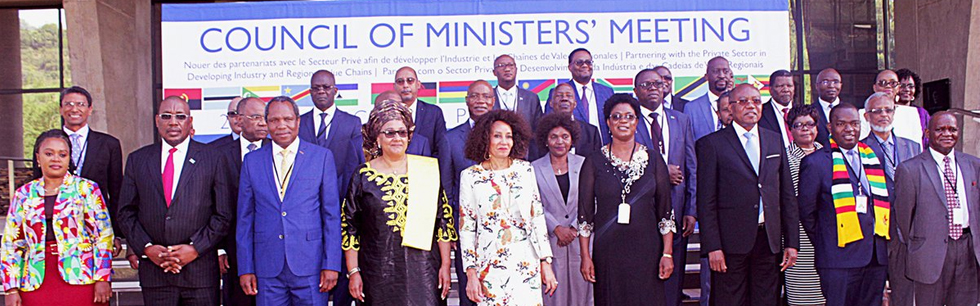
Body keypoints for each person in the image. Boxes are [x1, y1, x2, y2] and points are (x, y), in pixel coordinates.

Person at [117, 96, 232, 305]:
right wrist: (147, 248)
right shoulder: (138, 159)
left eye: (180, 116)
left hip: (200, 274)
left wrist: (195, 248)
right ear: (156, 120)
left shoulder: (213, 158)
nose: (173, 122)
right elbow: (126, 213)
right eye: (166, 116)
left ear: (190, 121)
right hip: (155, 274)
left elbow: (223, 213)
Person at [342, 100, 457, 305]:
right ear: (377, 137)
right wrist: (353, 272)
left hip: (424, 271)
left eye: (402, 133)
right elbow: (350, 228)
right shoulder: (363, 175)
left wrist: (446, 266)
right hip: (377, 272)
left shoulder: (426, 170)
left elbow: (443, 223)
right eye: (389, 133)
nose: (397, 138)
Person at [697, 84, 799, 306]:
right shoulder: (711, 144)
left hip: (768, 239)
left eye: (755, 100)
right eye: (743, 101)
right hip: (729, 243)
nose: (751, 106)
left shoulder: (774, 140)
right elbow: (706, 202)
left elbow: (787, 194)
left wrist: (792, 242)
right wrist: (713, 246)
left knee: (766, 300)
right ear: (730, 109)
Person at [236, 96, 342, 305]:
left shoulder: (321, 157)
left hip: (310, 266)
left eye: (287, 119)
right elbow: (245, 218)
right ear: (266, 124)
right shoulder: (252, 161)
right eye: (274, 120)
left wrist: (331, 264)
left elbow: (331, 216)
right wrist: (246, 267)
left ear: (298, 121)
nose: (281, 125)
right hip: (267, 267)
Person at [577, 93, 674, 305]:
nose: (623, 121)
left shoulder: (654, 159)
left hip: (647, 250)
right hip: (608, 252)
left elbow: (666, 212)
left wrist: (667, 253)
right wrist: (585, 256)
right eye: (617, 116)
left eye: (629, 116)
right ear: (608, 123)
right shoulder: (593, 161)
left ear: (637, 122)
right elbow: (584, 217)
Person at [2, 130, 114, 305]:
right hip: (35, 279)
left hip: (81, 276)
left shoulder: (87, 189)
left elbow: (103, 236)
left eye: (62, 154)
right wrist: (10, 288)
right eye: (49, 154)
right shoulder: (23, 194)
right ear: (38, 158)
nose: (56, 159)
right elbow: (12, 243)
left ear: (69, 158)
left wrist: (102, 278)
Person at [458, 110, 557, 305]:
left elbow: (536, 216)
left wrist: (546, 261)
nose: (504, 141)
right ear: (485, 139)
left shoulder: (525, 170)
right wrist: (470, 272)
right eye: (497, 136)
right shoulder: (470, 176)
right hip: (490, 265)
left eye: (508, 136)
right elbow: (467, 227)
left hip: (526, 263)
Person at [798, 103, 889, 306]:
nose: (849, 129)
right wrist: (829, 238)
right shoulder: (816, 163)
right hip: (838, 258)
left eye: (854, 124)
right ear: (830, 128)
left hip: (875, 256)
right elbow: (807, 213)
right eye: (841, 124)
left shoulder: (874, 155)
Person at [896, 112, 980, 306]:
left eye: (952, 129)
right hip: (930, 254)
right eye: (940, 129)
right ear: (927, 133)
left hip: (967, 250)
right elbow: (903, 220)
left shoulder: (974, 165)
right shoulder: (910, 169)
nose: (947, 134)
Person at [295, 70, 363, 306]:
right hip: (304, 210)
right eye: (316, 88)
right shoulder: (299, 122)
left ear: (335, 90)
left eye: (326, 87)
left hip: (341, 206)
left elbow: (355, 166)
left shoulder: (352, 122)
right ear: (310, 91)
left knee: (341, 277)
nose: (321, 92)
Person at [631, 69, 698, 306]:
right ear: (635, 91)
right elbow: (625, 165)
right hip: (642, 212)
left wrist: (691, 209)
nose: (653, 88)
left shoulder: (680, 119)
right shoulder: (628, 120)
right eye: (646, 84)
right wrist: (660, 171)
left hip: (678, 210)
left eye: (658, 84)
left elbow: (691, 166)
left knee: (674, 273)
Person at [860, 92, 921, 306]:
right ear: (867, 117)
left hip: (906, 230)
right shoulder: (859, 149)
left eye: (888, 110)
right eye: (876, 111)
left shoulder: (913, 146)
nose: (883, 115)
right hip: (875, 232)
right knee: (873, 292)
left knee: (905, 292)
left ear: (894, 113)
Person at [442, 80, 496, 306]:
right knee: (470, 293)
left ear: (493, 102)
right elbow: (446, 186)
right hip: (466, 231)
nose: (480, 101)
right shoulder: (450, 138)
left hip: (501, 230)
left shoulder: (506, 137)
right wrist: (450, 226)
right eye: (474, 96)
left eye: (486, 96)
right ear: (466, 101)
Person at [55, 86, 124, 257]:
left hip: (97, 224)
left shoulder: (109, 144)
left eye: (80, 104)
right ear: (61, 109)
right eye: (69, 104)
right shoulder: (48, 142)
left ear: (90, 109)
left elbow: (116, 192)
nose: (74, 109)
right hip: (57, 225)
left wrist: (116, 233)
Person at [532, 113, 593, 306]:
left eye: (565, 137)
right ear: (546, 140)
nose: (560, 141)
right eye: (554, 137)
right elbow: (533, 204)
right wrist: (556, 227)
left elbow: (593, 200)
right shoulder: (533, 168)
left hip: (581, 241)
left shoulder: (585, 164)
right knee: (553, 296)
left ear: (572, 139)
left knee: (582, 295)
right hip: (550, 242)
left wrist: (575, 227)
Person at [215, 97, 269, 306]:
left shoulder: (278, 151)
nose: (262, 122)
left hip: (272, 247)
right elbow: (213, 202)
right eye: (255, 117)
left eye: (264, 117)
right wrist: (219, 249)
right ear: (239, 120)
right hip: (232, 248)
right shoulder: (218, 153)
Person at [783, 105, 826, 306]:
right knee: (801, 294)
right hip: (796, 233)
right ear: (790, 129)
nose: (805, 129)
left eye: (810, 124)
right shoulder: (783, 157)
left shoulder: (829, 155)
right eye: (798, 125)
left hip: (825, 230)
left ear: (817, 128)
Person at [545, 48, 615, 143]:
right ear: (570, 67)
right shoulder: (558, 93)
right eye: (579, 62)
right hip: (573, 151)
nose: (585, 65)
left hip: (603, 151)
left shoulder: (607, 91)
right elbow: (549, 125)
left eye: (588, 62)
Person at [528, 83, 602, 161]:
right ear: (551, 103)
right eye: (559, 95)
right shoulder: (539, 132)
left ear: (575, 104)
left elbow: (597, 163)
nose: (564, 99)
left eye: (569, 96)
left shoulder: (591, 132)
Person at [394, 66, 448, 159]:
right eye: (400, 81)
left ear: (418, 84)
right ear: (395, 86)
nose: (405, 85)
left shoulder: (434, 113)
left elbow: (441, 149)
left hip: (426, 169)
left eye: (410, 80)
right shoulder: (387, 113)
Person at [863, 70, 923, 148]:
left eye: (893, 83)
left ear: (898, 87)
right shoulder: (862, 113)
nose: (888, 86)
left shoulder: (911, 113)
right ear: (874, 87)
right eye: (882, 83)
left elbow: (917, 146)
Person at [684, 56, 735, 140]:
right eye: (716, 71)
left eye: (725, 71)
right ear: (706, 76)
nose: (722, 76)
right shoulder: (691, 108)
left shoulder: (739, 104)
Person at [492, 54, 543, 130]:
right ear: (494, 72)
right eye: (501, 65)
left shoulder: (531, 98)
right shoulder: (488, 96)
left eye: (511, 65)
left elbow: (538, 129)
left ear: (516, 69)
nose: (507, 69)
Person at [759, 70, 796, 148]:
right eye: (780, 86)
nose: (786, 90)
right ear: (770, 90)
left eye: (789, 86)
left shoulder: (802, 112)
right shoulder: (760, 113)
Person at [895, 68, 930, 145]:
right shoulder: (888, 111)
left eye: (910, 86)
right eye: (902, 86)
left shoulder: (922, 113)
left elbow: (928, 139)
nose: (907, 89)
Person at [813, 68, 843, 148]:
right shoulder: (810, 112)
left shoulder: (850, 111)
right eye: (825, 82)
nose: (831, 86)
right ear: (816, 86)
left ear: (841, 85)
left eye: (835, 82)